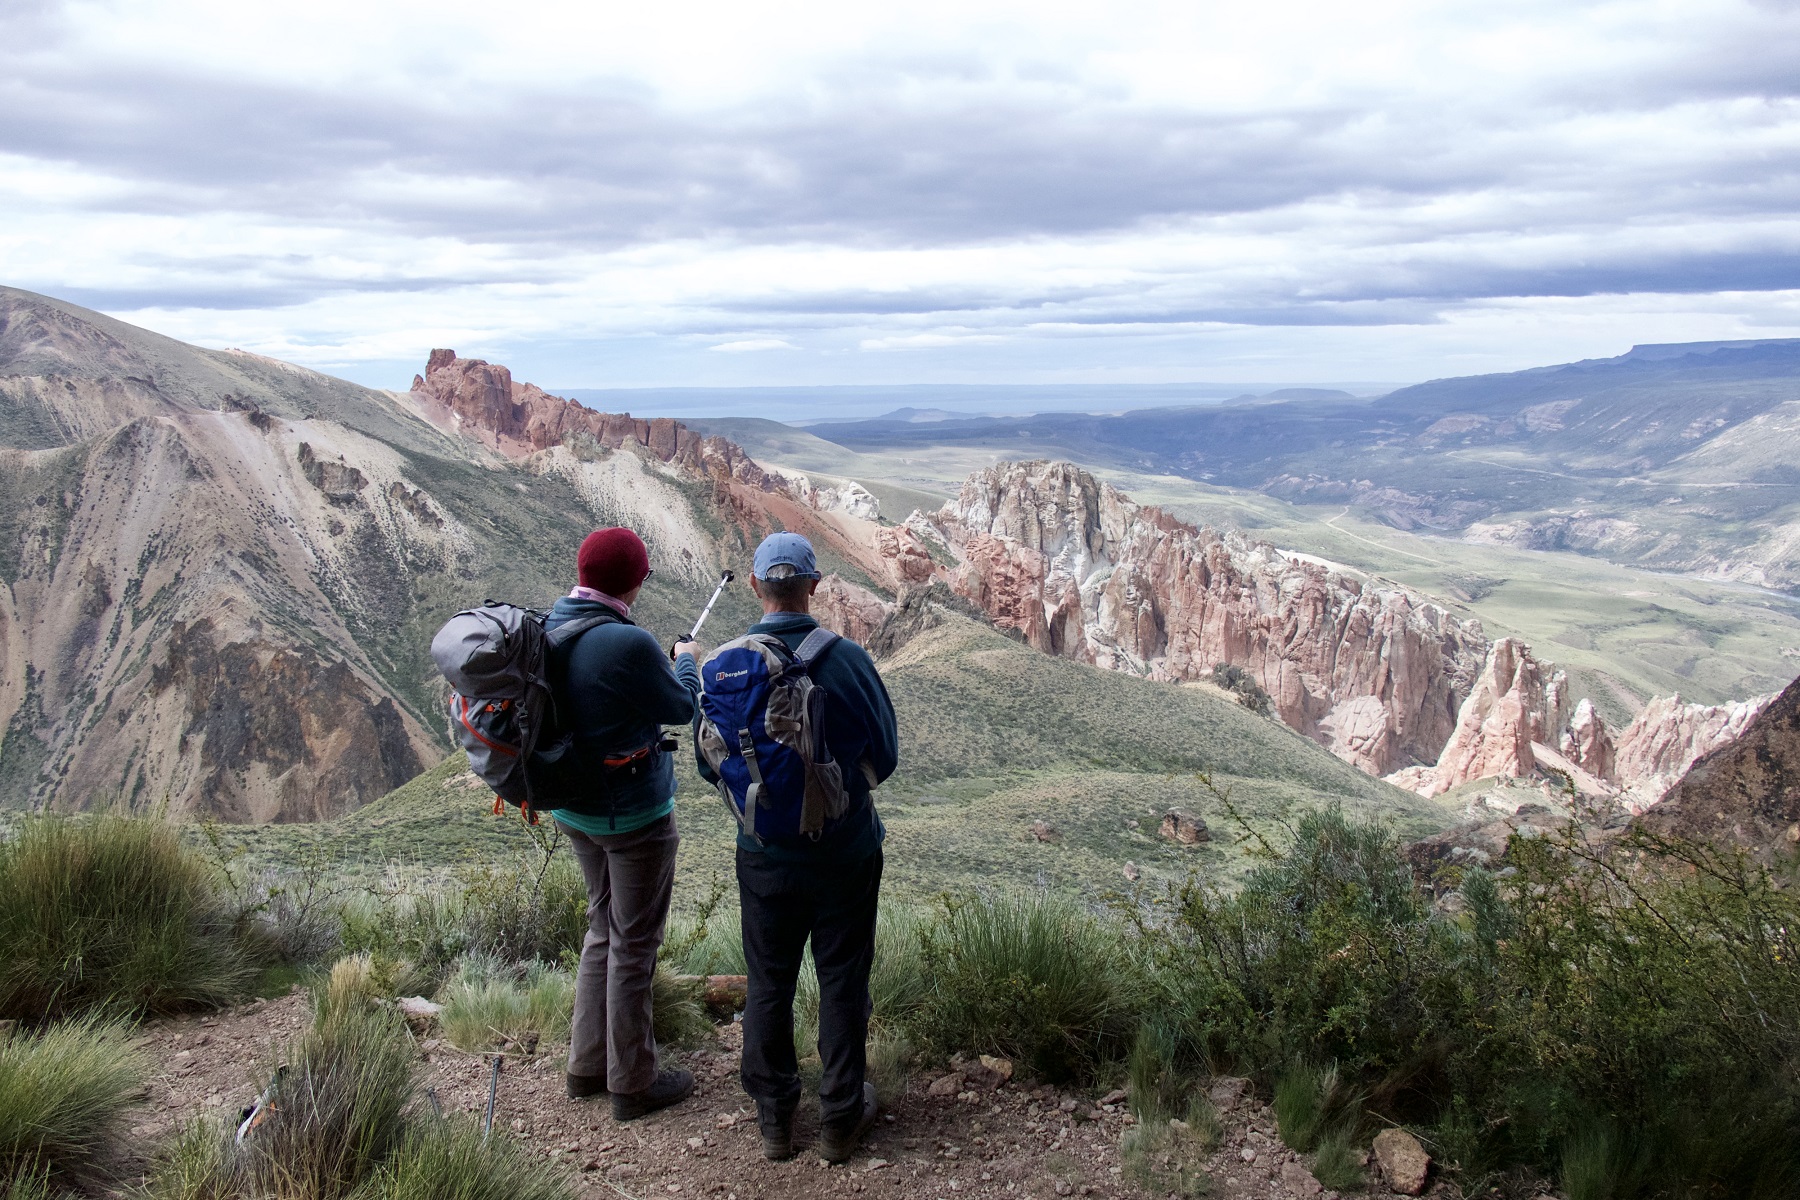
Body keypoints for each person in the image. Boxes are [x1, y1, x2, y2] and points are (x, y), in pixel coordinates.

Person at [696, 532, 900, 1164]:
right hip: (844, 851)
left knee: (768, 980)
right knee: (841, 978)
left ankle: (775, 1119)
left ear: (757, 587)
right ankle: (841, 1118)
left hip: (761, 854)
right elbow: (885, 757)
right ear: (814, 586)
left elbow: (711, 767)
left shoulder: (725, 665)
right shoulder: (844, 659)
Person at [547, 527, 701, 1122]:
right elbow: (682, 708)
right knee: (635, 942)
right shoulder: (627, 643)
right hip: (633, 816)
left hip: (573, 811)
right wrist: (685, 663)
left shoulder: (551, 624)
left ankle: (586, 1066)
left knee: (601, 929)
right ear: (636, 581)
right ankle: (633, 1082)